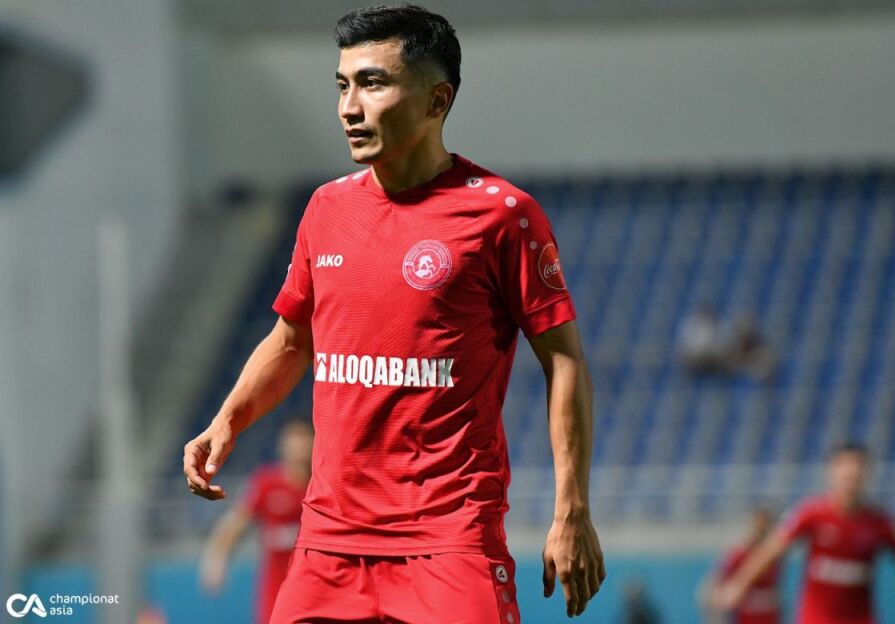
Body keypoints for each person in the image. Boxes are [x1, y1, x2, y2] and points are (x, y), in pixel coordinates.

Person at [182, 5, 605, 623]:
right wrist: (229, 418)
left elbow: (564, 361)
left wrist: (572, 511)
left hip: (449, 543)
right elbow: (291, 341)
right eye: (342, 85)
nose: (349, 107)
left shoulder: (502, 216)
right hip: (328, 545)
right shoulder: (326, 209)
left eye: (373, 83)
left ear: (437, 101)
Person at [714, 443, 895, 624]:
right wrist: (738, 585)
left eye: (857, 468)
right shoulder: (810, 513)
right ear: (831, 472)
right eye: (844, 468)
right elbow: (771, 551)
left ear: (866, 474)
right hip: (816, 619)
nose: (851, 475)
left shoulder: (880, 522)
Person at [198, 420, 312, 624]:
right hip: (276, 588)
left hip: (316, 586)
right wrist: (217, 560)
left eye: (305, 438)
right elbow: (236, 523)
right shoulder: (266, 484)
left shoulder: (323, 484)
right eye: (294, 438)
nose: (299, 446)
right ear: (283, 445)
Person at [702, 506, 781, 624]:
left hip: (769, 616)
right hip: (746, 616)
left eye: (765, 527)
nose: (761, 531)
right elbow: (718, 584)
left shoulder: (774, 555)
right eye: (758, 527)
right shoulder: (738, 554)